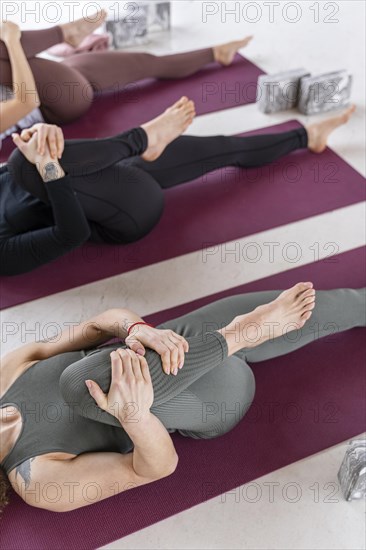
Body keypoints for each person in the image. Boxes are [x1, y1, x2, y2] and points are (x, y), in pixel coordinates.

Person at [0, 282, 364, 512]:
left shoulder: (6, 374)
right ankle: (241, 334)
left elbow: (98, 325)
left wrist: (138, 329)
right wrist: (135, 416)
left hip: (179, 343)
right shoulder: (38, 482)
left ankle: (238, 336)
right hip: (206, 401)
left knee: (350, 303)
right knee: (81, 385)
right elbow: (153, 468)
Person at [0, 100, 355, 276]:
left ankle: (307, 135)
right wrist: (48, 165)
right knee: (22, 163)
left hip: (106, 174)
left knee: (220, 148)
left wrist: (42, 142)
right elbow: (71, 234)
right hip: (123, 214)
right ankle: (140, 138)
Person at [0, 12, 253, 136]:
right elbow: (26, 101)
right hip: (56, 101)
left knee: (145, 62)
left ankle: (217, 53)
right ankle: (65, 33)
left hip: (57, 78)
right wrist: (12, 41)